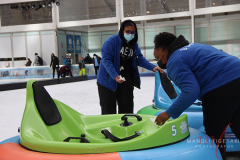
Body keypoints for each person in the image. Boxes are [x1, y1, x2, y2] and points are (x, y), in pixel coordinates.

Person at [153, 32, 240, 160]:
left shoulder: (174, 60)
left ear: (165, 50)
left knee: (214, 135)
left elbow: (191, 91)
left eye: (158, 58)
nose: (159, 62)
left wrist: (168, 113)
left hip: (220, 87)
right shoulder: (194, 47)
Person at [97, 19, 162, 115]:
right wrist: (115, 75)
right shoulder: (111, 42)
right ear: (122, 30)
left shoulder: (133, 44)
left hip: (125, 80)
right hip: (108, 82)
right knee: (108, 112)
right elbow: (106, 60)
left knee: (127, 110)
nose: (130, 34)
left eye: (132, 32)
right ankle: (110, 129)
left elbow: (139, 59)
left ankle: (125, 128)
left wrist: (152, 67)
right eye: (127, 31)